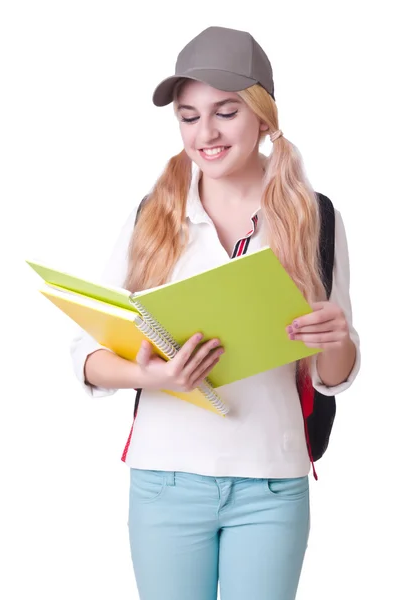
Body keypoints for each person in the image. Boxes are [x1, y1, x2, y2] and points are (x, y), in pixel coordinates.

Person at [70, 25, 360, 600]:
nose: (206, 133)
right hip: (164, 480)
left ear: (263, 115)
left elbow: (334, 376)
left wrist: (334, 338)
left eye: (225, 112)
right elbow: (88, 354)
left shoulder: (315, 218)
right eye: (188, 115)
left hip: (271, 484)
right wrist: (150, 376)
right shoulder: (154, 217)